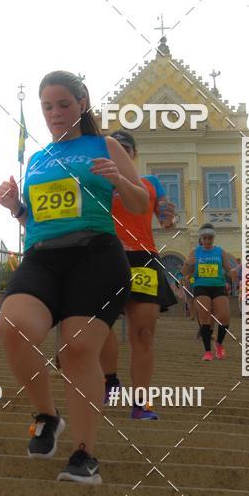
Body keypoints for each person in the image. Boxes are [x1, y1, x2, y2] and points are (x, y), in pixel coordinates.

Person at [0, 71, 149, 484]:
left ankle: (85, 455)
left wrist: (119, 179)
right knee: (13, 326)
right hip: (43, 257)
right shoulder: (39, 158)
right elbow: (36, 218)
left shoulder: (106, 145)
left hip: (96, 257)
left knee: (78, 349)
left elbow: (139, 204)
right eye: (48, 107)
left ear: (82, 104)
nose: (56, 113)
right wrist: (15, 208)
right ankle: (47, 416)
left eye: (63, 104)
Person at [99, 130, 177, 420]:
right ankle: (110, 381)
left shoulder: (150, 183)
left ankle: (140, 402)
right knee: (99, 324)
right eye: (114, 147)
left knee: (143, 334)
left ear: (132, 154)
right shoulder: (96, 180)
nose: (120, 151)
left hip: (143, 258)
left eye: (126, 148)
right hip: (105, 256)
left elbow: (165, 216)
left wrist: (169, 218)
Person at [182, 223, 236, 360]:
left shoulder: (220, 252)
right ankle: (207, 352)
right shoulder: (195, 252)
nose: (207, 241)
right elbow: (184, 273)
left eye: (209, 238)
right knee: (205, 317)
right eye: (204, 238)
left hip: (218, 286)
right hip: (201, 287)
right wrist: (188, 264)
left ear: (213, 238)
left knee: (224, 317)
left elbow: (228, 270)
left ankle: (218, 344)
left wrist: (234, 273)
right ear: (201, 238)